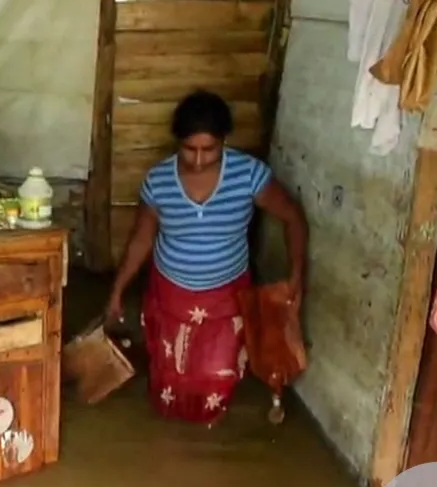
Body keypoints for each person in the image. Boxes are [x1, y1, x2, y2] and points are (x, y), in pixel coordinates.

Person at [105, 90, 308, 425]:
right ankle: (173, 437)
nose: (198, 160)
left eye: (209, 149)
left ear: (224, 140)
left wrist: (297, 276)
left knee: (217, 375)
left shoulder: (248, 175)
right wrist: (117, 291)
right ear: (177, 141)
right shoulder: (158, 181)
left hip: (226, 297)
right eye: (189, 149)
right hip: (172, 295)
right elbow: (142, 239)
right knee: (171, 377)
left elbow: (293, 217)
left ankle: (207, 428)